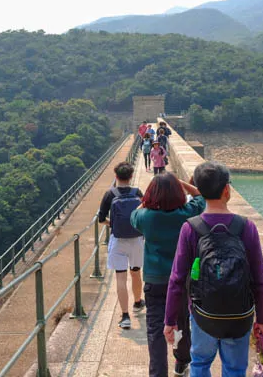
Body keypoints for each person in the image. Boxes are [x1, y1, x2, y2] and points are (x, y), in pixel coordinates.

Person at [164, 162, 263, 377]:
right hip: (240, 316)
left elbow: (177, 279)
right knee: (235, 368)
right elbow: (260, 279)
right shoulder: (246, 227)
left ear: (200, 192)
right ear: (227, 191)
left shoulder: (190, 228)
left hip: (203, 314)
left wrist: (170, 320)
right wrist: (262, 318)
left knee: (200, 364)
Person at [131, 173, 206, 377]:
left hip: (155, 280)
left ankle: (158, 373)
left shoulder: (145, 217)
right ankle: (181, 362)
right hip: (181, 281)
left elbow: (133, 216)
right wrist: (179, 182)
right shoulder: (186, 213)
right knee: (182, 321)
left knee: (155, 329)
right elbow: (202, 197)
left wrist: (147, 199)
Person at [97, 161, 145, 330]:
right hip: (137, 240)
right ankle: (138, 302)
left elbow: (101, 219)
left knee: (120, 277)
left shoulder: (109, 194)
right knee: (136, 272)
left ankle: (125, 316)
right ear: (131, 176)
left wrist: (114, 224)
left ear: (116, 176)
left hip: (118, 241)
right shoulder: (137, 192)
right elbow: (145, 213)